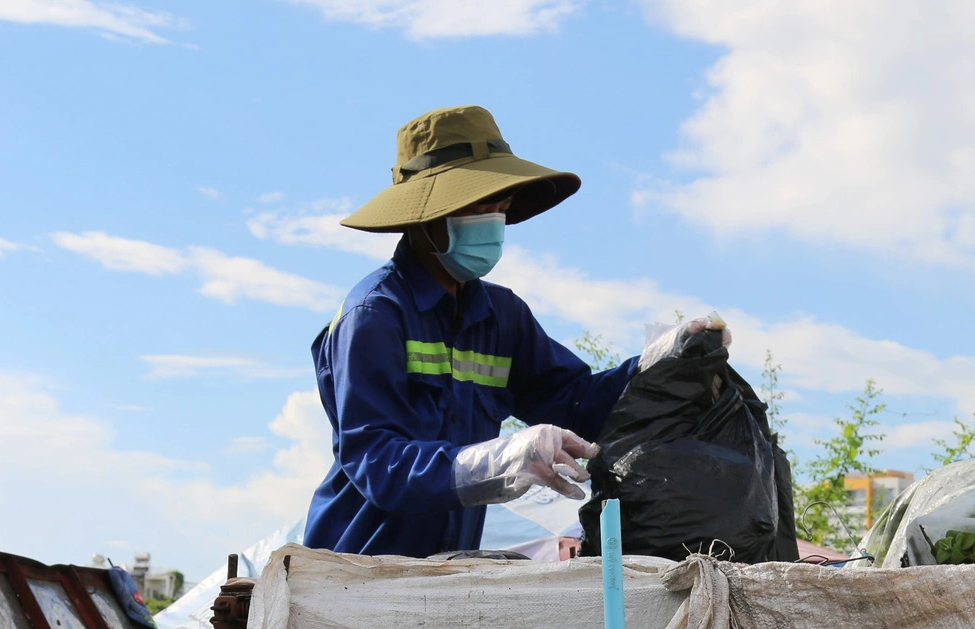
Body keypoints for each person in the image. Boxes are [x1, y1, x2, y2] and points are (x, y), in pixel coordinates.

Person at [305, 104, 723, 558]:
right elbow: (378, 463)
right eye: (479, 205)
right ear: (426, 217)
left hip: (442, 573)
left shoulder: (501, 317)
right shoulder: (375, 314)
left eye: (500, 205)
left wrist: (658, 363)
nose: (494, 219)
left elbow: (576, 404)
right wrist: (496, 461)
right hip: (354, 569)